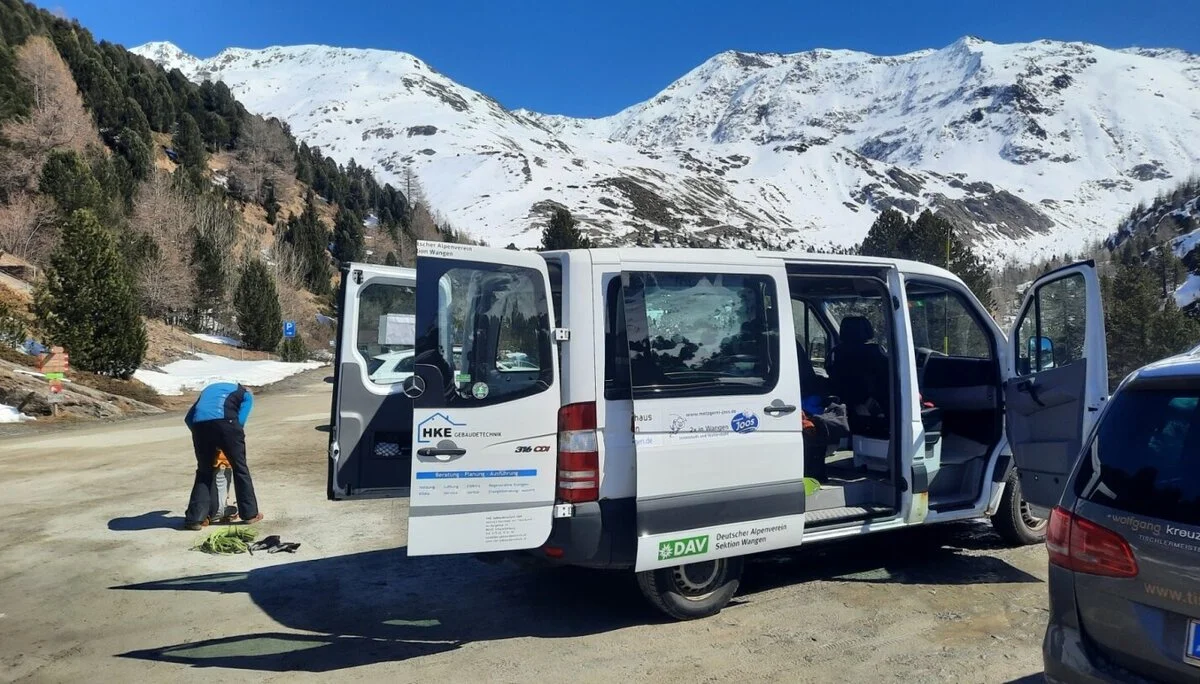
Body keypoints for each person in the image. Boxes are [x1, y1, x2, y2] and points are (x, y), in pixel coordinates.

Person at [183, 382, 262, 530]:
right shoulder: (246, 394)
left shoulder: (207, 392)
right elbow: (241, 420)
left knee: (204, 471)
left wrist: (203, 435)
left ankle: (195, 519)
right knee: (240, 468)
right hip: (227, 423)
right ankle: (250, 514)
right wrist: (227, 439)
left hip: (199, 426)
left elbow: (188, 419)